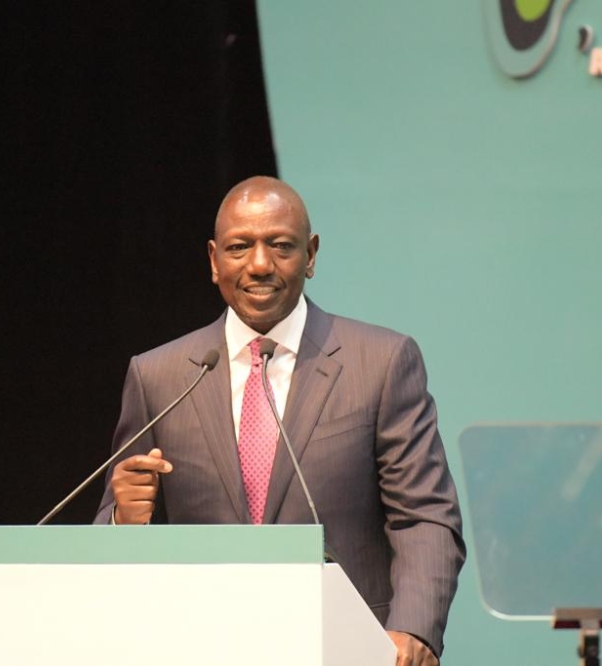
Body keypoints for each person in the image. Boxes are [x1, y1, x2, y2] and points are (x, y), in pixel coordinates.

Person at [95, 176, 464, 665]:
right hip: (203, 644)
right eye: (240, 247)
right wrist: (124, 520)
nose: (260, 264)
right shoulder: (158, 376)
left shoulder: (381, 362)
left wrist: (413, 630)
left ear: (311, 255)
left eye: (281, 246)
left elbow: (425, 516)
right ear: (213, 260)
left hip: (347, 649)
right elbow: (111, 524)